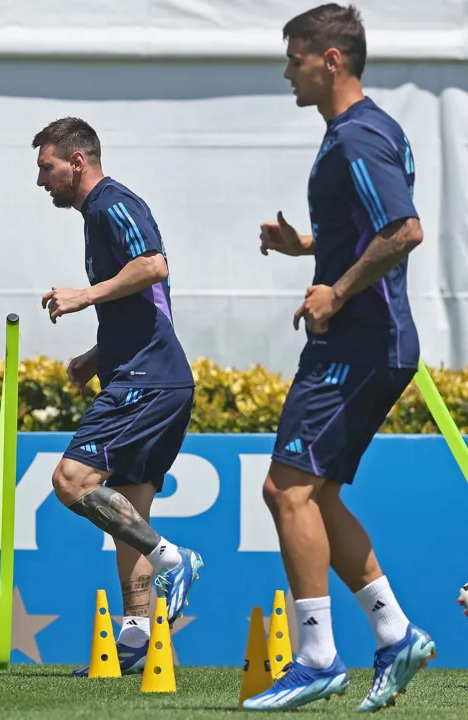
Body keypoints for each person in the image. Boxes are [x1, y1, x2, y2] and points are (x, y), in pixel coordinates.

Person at [243, 5, 434, 712]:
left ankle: (319, 658)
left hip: (361, 342)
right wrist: (309, 249)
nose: (285, 70)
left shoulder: (356, 138)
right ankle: (395, 632)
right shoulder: (367, 129)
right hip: (366, 341)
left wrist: (335, 288)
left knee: (284, 491)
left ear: (331, 60)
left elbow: (404, 229)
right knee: (316, 495)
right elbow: (370, 229)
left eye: (293, 57)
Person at [30, 117, 203, 676]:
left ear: (77, 161)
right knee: (128, 510)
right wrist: (96, 356)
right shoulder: (97, 214)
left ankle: (174, 560)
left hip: (148, 379)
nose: (42, 181)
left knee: (70, 482)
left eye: (47, 168)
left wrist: (83, 296)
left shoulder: (110, 203)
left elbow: (153, 266)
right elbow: (145, 302)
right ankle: (135, 640)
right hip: (146, 372)